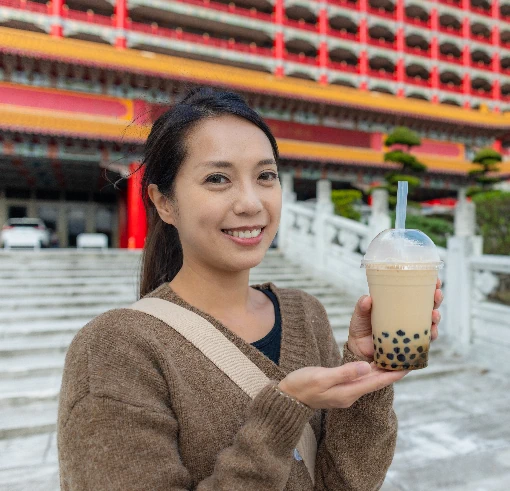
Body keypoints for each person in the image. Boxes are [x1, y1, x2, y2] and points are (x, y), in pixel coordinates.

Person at [57, 87, 443, 490]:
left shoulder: (305, 313)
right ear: (163, 202)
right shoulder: (115, 348)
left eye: (265, 176)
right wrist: (284, 410)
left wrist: (368, 375)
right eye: (218, 178)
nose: (251, 203)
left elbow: (343, 483)